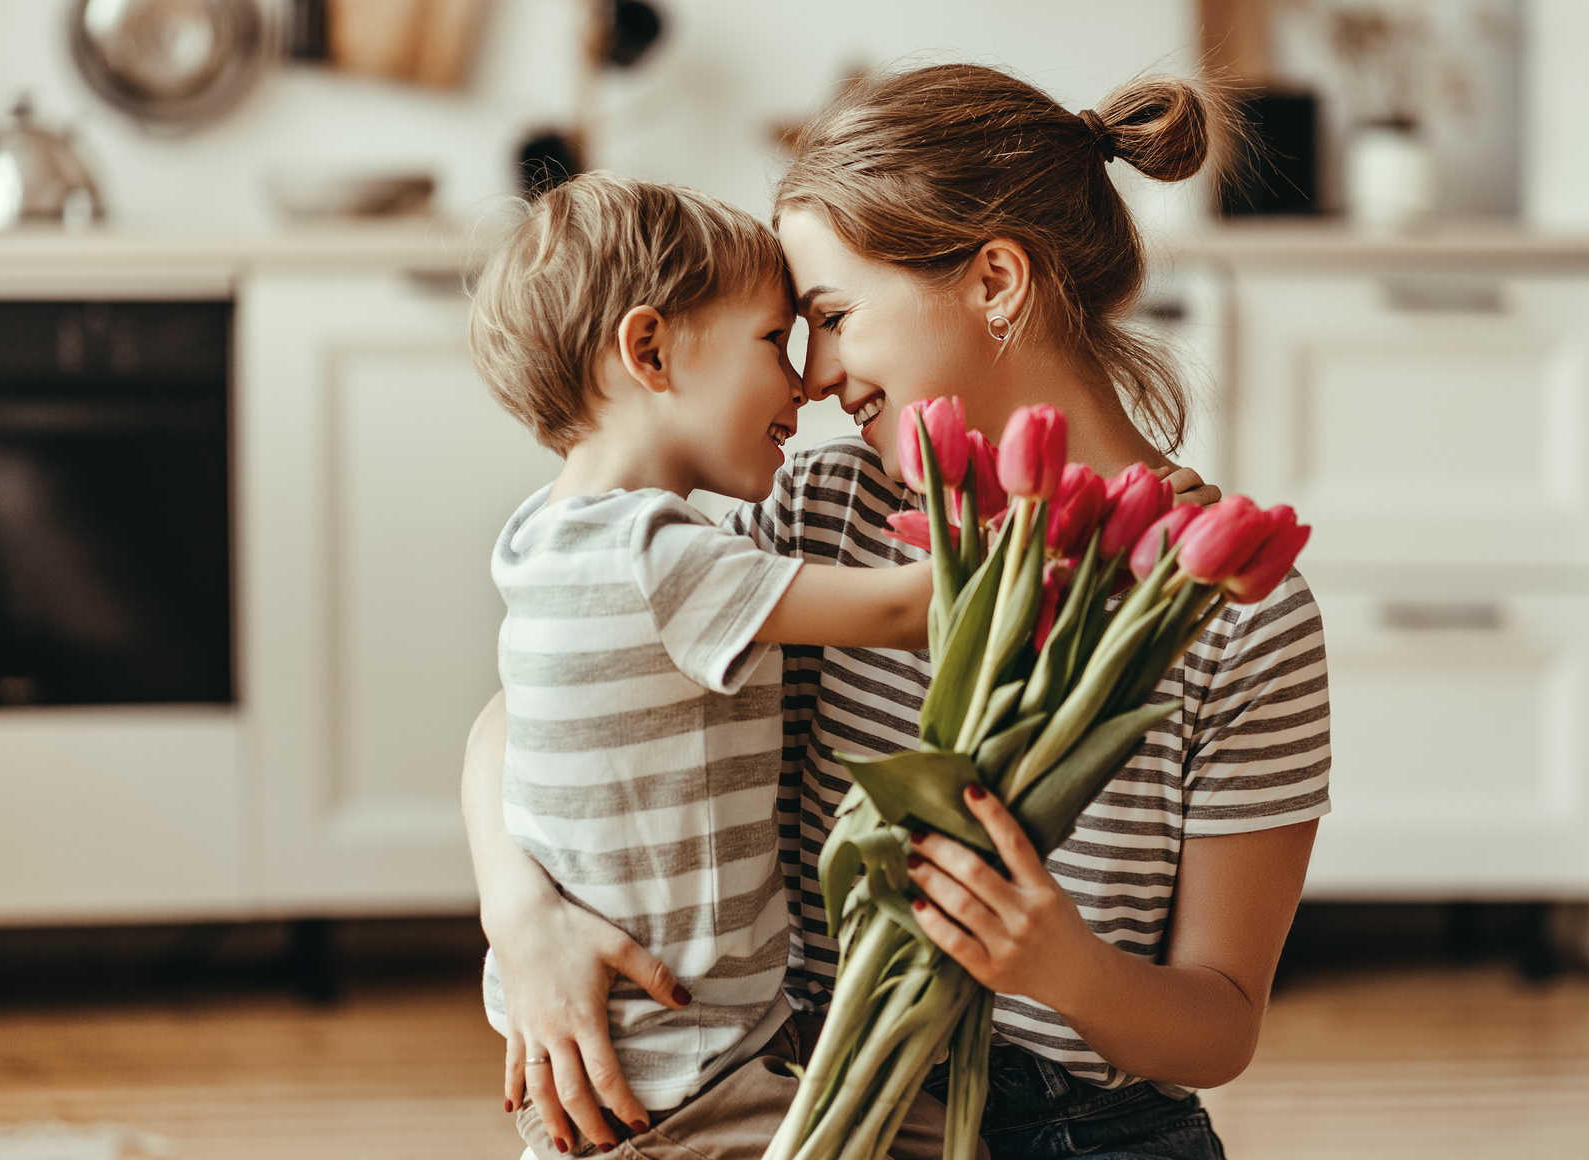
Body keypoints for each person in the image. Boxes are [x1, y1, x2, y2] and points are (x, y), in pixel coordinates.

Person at [464, 65, 1330, 1160]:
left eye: (829, 316)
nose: (815, 376)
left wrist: (1058, 961)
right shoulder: (824, 508)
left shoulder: (1234, 613)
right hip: (809, 1094)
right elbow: (539, 701)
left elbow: (1221, 1024)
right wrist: (522, 913)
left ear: (997, 280)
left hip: (1080, 1128)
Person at [467, 172, 942, 1160]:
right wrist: (1102, 524)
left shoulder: (541, 536)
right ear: (649, 350)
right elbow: (906, 608)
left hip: (633, 1057)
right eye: (776, 339)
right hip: (687, 1073)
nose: (806, 382)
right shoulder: (661, 560)